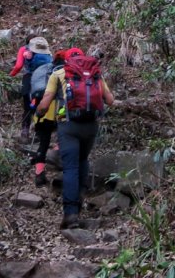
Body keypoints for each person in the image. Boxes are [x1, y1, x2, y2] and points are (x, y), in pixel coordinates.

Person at [36, 48, 114, 229]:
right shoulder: (95, 73)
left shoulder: (59, 73)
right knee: (83, 160)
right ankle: (80, 200)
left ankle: (71, 214)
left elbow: (45, 102)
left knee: (70, 167)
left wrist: (39, 111)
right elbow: (109, 100)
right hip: (91, 125)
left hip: (68, 126)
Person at [30, 49, 68, 186]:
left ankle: (39, 175)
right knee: (62, 137)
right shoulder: (64, 73)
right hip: (58, 113)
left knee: (43, 143)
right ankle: (58, 161)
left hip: (42, 113)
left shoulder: (45, 71)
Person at [10, 35, 51, 143]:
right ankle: (38, 133)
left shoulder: (24, 49)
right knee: (40, 106)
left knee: (27, 107)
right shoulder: (45, 51)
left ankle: (25, 132)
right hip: (42, 80)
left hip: (28, 79)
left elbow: (18, 66)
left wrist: (11, 76)